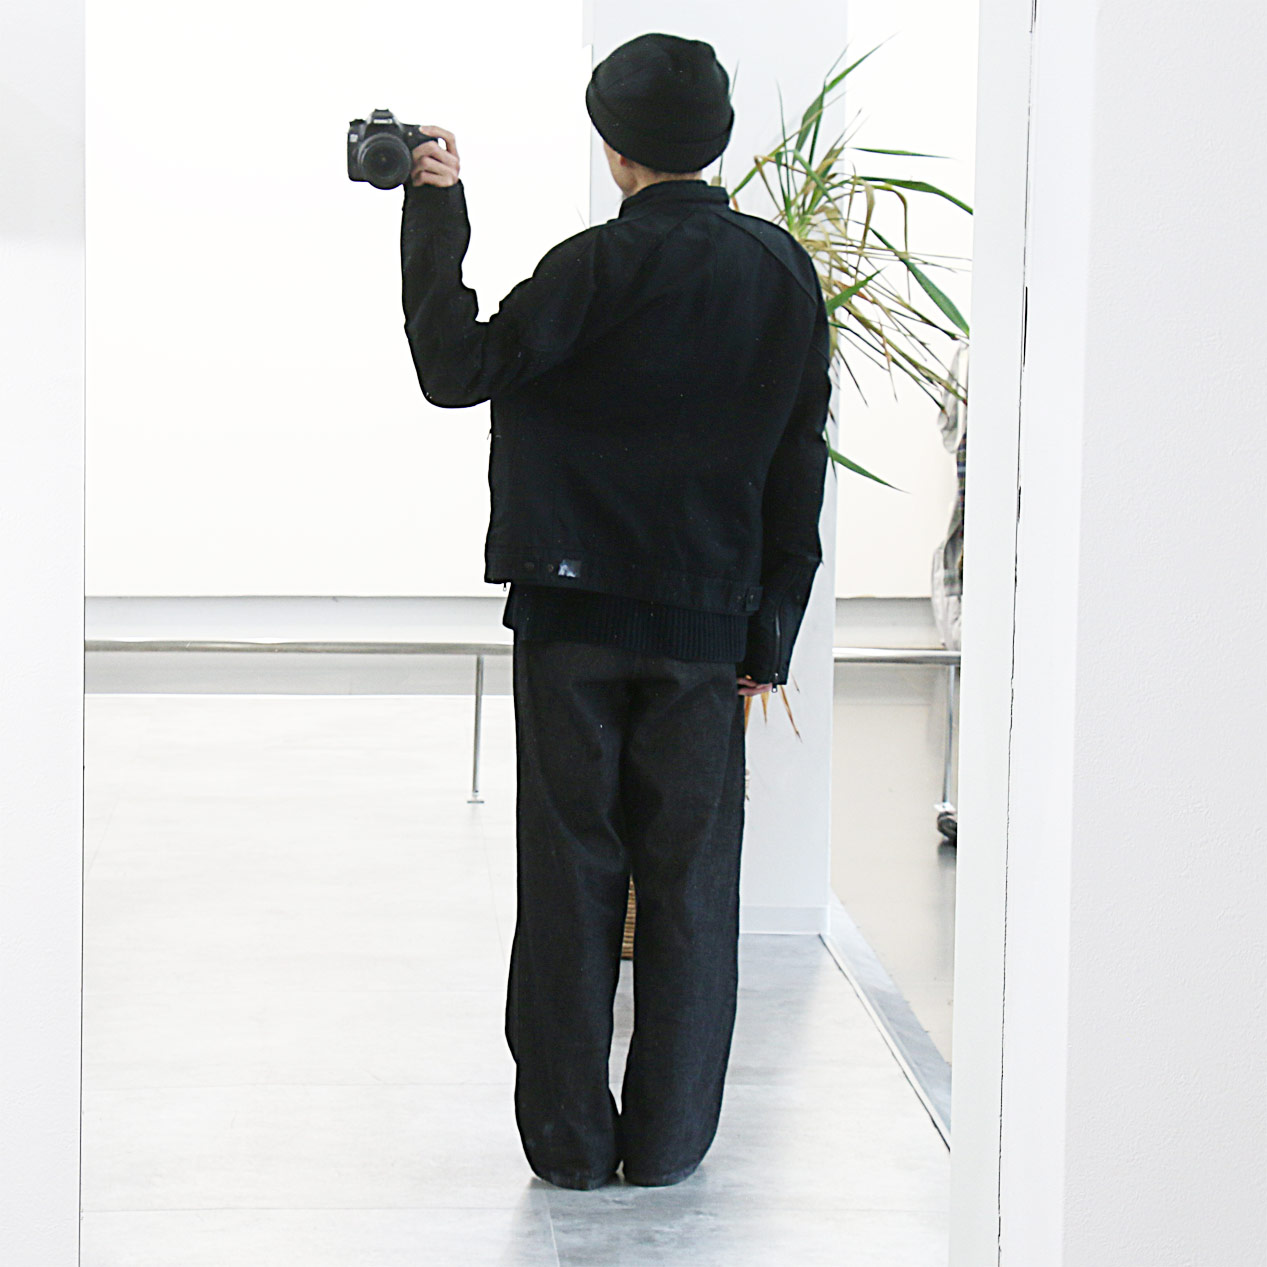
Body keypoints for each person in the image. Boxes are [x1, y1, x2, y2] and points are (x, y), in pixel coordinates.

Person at [400, 31, 830, 1190]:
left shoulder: (589, 269)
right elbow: (798, 461)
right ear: (714, 140)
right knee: (690, 886)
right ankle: (673, 1142)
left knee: (569, 876)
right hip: (706, 629)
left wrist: (435, 210)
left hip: (571, 619)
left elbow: (454, 368)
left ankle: (569, 1145)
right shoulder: (779, 270)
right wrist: (770, 632)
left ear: (613, 147)